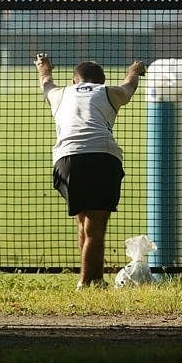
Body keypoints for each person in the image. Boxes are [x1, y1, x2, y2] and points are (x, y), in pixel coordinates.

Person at [34, 53, 146, 289]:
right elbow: (129, 87)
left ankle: (95, 281)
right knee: (96, 227)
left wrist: (44, 66)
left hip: (66, 159)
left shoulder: (59, 94)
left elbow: (46, 83)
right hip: (102, 156)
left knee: (83, 221)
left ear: (75, 81)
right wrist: (134, 69)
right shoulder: (108, 92)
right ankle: (86, 283)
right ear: (101, 81)